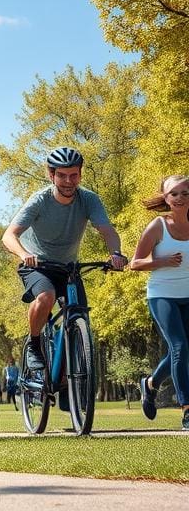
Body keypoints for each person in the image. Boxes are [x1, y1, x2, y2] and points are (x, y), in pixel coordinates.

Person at [2, 147, 127, 374]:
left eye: (74, 175)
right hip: (37, 265)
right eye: (62, 175)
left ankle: (68, 378)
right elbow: (9, 235)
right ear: (52, 175)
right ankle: (34, 343)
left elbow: (107, 230)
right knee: (46, 296)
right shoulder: (40, 200)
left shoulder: (89, 199)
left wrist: (116, 254)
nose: (68, 181)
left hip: (68, 268)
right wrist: (23, 254)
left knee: (79, 315)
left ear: (80, 174)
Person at [131, 174, 189, 431]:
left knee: (183, 350)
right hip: (162, 295)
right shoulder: (157, 226)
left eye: (185, 193)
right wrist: (162, 262)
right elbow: (135, 263)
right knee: (179, 346)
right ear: (165, 198)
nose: (179, 198)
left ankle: (150, 384)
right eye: (174, 193)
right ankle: (187, 409)